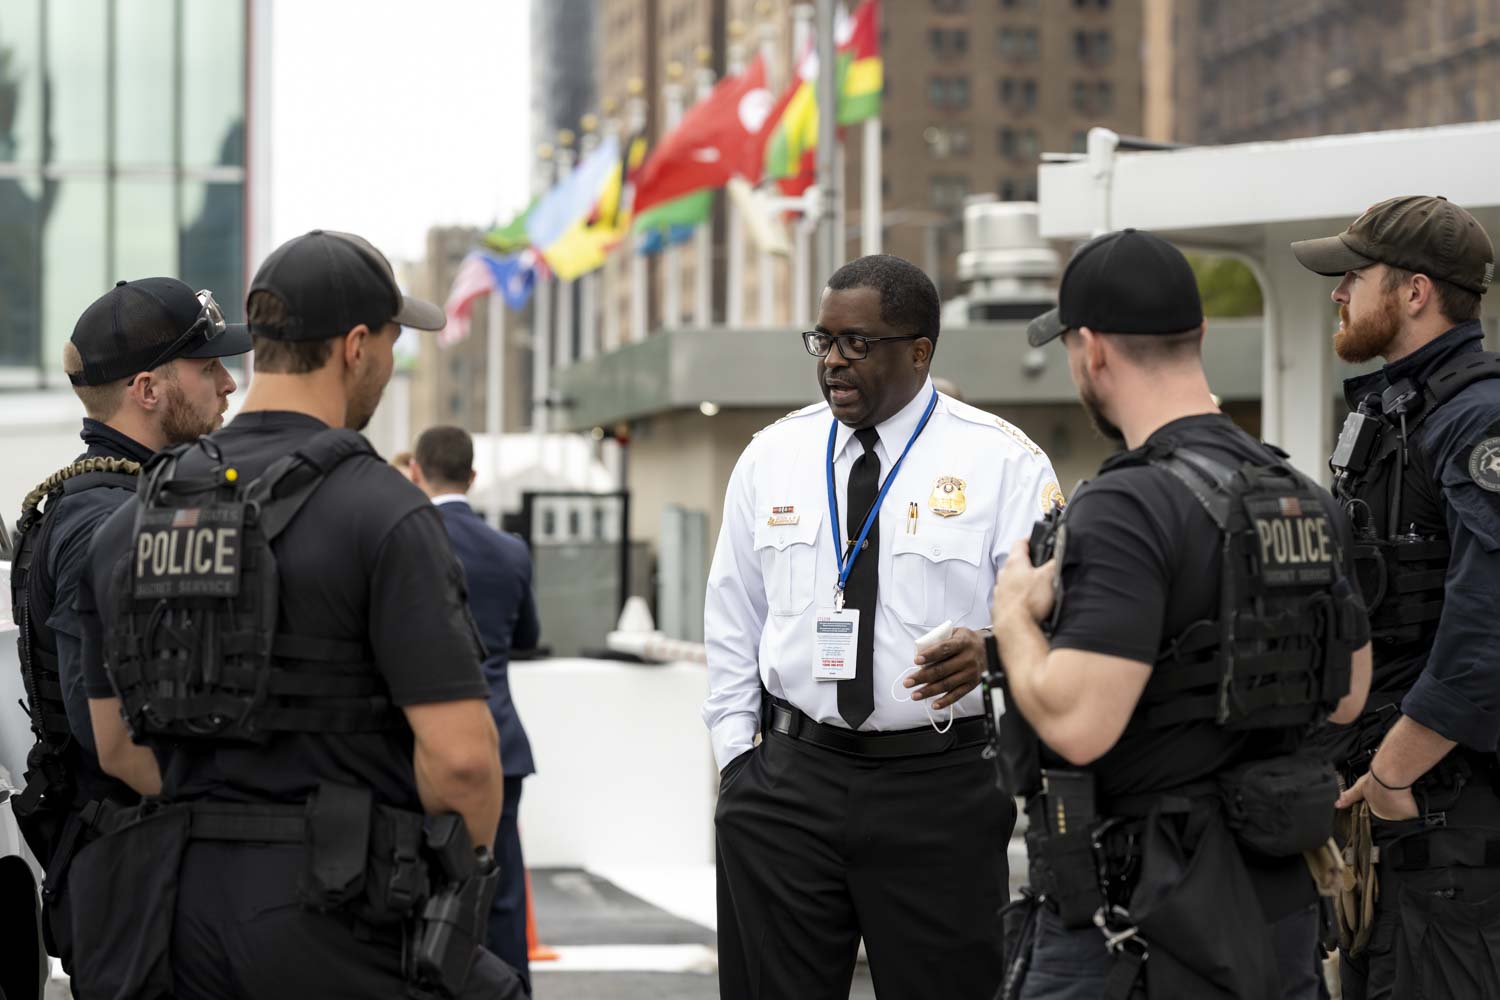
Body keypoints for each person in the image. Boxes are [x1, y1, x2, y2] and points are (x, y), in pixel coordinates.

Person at [71, 230, 526, 999]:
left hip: (172, 921)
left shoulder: (131, 521)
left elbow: (118, 749)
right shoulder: (385, 511)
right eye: (389, 341)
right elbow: (463, 762)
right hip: (342, 916)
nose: (387, 361)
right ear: (355, 346)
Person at [991, 228, 1373, 999]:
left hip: (1137, 925)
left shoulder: (1126, 506)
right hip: (1275, 908)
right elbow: (1350, 691)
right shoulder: (1295, 493)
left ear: (1091, 350)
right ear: (1195, 335)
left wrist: (1012, 618)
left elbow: (1078, 722)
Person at [705, 254, 1062, 999]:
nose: (833, 362)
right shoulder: (772, 456)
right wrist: (739, 766)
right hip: (788, 787)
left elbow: (1056, 616)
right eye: (823, 341)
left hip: (939, 790)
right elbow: (733, 618)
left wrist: (994, 652)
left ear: (919, 351)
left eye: (857, 343)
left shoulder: (1002, 462)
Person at [1291, 195, 1500, 1000]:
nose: (1338, 293)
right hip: (1397, 817)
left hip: (1448, 817)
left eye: (1354, 276)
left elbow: (1486, 633)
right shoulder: (1397, 409)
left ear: (1414, 292)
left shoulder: (1477, 419)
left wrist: (1391, 776)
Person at [7, 277, 245, 974]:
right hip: (140, 879)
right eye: (208, 368)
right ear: (148, 389)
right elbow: (109, 739)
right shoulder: (107, 521)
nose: (229, 384)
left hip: (143, 866)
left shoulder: (111, 499)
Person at [411, 424, 541, 993]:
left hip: (422, 743)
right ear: (473, 476)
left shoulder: (405, 539)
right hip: (500, 744)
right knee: (502, 891)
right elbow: (527, 637)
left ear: (416, 472)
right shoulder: (509, 550)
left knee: (417, 884)